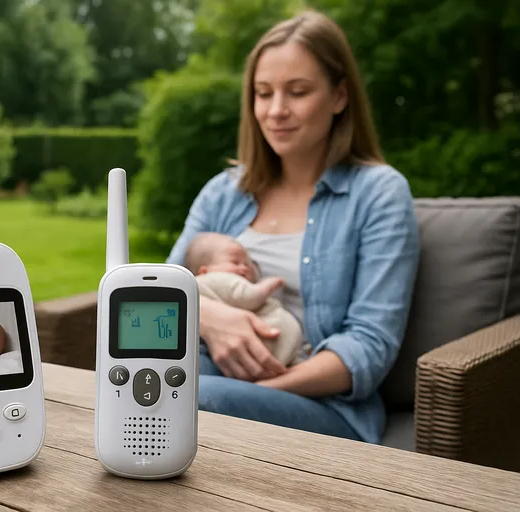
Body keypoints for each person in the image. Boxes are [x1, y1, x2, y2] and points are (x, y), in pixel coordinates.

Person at [164, 9, 420, 444]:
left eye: (298, 92)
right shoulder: (223, 193)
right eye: (263, 94)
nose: (277, 111)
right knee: (142, 387)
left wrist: (259, 387)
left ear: (340, 96)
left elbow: (368, 347)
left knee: (190, 398)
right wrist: (207, 316)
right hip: (206, 372)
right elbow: (154, 296)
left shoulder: (379, 194)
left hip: (322, 406)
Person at [183, 232, 304, 367]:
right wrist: (268, 285)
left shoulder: (197, 288)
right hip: (260, 348)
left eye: (247, 263)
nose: (244, 267)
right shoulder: (218, 279)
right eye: (235, 262)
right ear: (205, 271)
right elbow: (248, 297)